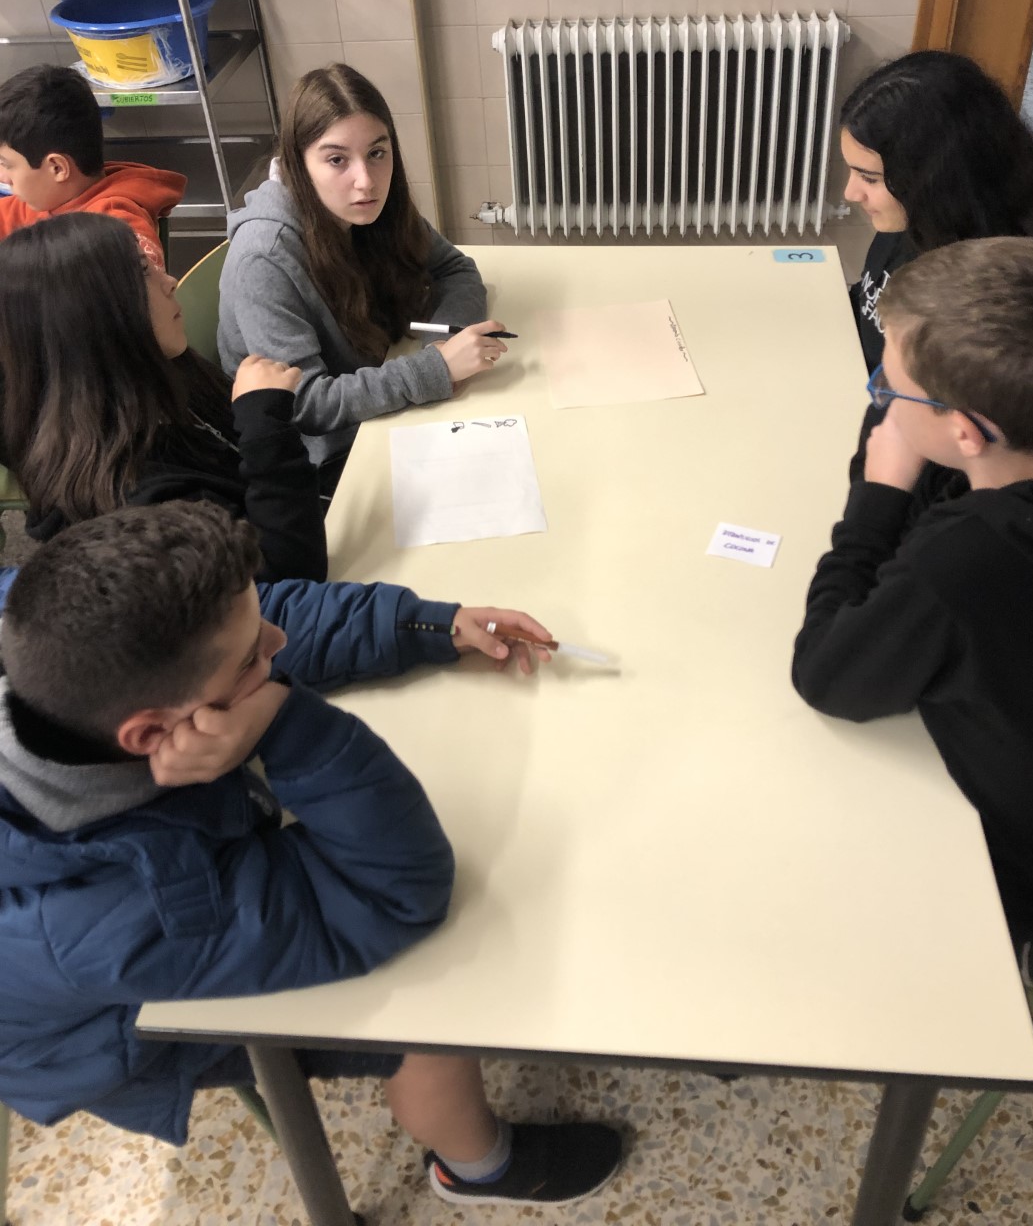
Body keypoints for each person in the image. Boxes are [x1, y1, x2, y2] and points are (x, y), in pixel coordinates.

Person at [0, 501, 622, 1205]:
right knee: (427, 1006)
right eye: (253, 660)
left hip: (140, 885)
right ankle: (479, 1168)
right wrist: (288, 721)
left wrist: (426, 626)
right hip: (110, 1029)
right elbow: (392, 895)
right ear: (149, 736)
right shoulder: (117, 915)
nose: (279, 641)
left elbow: (251, 625)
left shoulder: (29, 624)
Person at [792, 236, 1033, 987]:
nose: (880, 401)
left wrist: (876, 497)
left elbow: (827, 675)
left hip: (1016, 857)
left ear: (965, 432)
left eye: (891, 388)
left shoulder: (960, 561)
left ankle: (1031, 922)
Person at [219, 64, 507, 491]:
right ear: (299, 163)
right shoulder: (265, 255)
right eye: (337, 159)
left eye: (377, 153)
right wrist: (435, 369)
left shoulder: (377, 209)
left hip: (378, 395)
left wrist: (442, 344)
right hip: (325, 458)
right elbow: (303, 403)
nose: (366, 181)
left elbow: (454, 268)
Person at [0, 213, 327, 583]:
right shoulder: (133, 497)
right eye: (143, 272)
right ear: (93, 318)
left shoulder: (164, 375)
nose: (170, 281)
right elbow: (285, 577)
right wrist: (265, 426)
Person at [839, 50, 1033, 373]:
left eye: (869, 178)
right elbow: (866, 300)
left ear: (937, 178)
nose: (851, 193)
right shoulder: (912, 218)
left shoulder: (995, 293)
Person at [0, 63, 184, 272]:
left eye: (7, 165)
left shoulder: (117, 229)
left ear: (57, 168)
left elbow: (143, 290)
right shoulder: (45, 200)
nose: (3, 177)